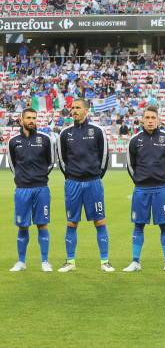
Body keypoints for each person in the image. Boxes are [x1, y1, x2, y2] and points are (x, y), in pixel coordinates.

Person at [57, 99, 114, 272]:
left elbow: (104, 157)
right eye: (72, 108)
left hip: (93, 183)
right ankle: (70, 262)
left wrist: (95, 176)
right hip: (73, 183)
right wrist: (71, 176)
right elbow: (62, 160)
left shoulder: (97, 131)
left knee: (100, 221)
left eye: (77, 108)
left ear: (86, 111)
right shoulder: (65, 133)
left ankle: (105, 261)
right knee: (72, 222)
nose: (74, 110)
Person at [124, 106, 165, 272]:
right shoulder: (135, 140)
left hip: (161, 188)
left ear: (158, 120)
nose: (149, 121)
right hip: (141, 189)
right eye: (147, 118)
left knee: (164, 225)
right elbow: (130, 165)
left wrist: (164, 179)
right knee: (138, 225)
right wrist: (138, 180)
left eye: (152, 118)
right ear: (142, 119)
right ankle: (135, 262)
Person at [7, 108, 55, 272]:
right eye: (28, 118)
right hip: (22, 190)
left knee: (42, 224)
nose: (32, 120)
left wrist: (39, 176)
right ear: (21, 120)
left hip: (41, 188)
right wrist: (22, 178)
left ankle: (45, 261)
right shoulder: (13, 141)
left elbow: (51, 162)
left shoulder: (45, 139)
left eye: (34, 118)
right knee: (23, 226)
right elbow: (13, 165)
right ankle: (21, 261)